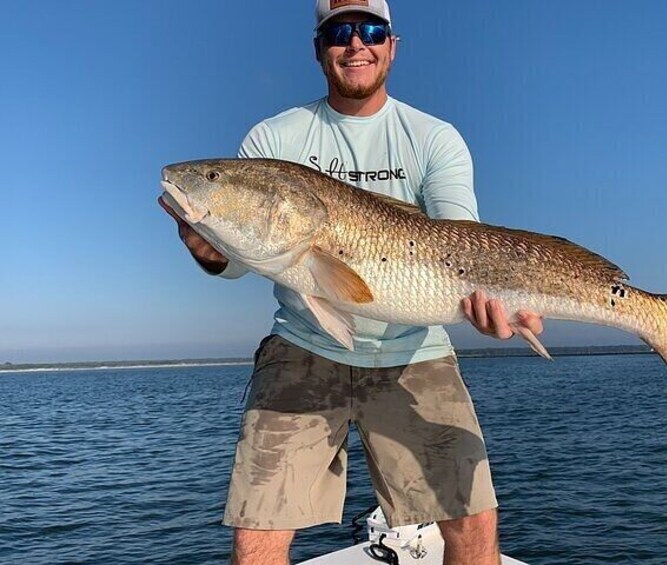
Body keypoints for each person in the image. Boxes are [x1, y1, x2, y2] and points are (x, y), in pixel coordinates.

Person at [160, 1, 543, 563]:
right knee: (256, 529)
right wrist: (207, 247)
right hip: (302, 345)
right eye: (340, 31)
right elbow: (238, 263)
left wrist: (495, 304)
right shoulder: (273, 138)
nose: (356, 43)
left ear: (392, 45)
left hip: (414, 350)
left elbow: (464, 239)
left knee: (472, 520)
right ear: (319, 48)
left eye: (371, 30)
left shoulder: (433, 137)